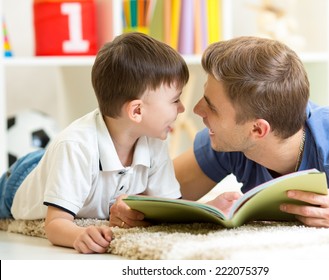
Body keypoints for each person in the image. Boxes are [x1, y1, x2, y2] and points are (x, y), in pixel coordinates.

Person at [110, 36, 329, 228]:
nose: (195, 109)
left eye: (211, 107)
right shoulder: (229, 142)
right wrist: (130, 204)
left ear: (258, 129)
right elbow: (158, 196)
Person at [0, 32, 189, 253]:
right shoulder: (76, 147)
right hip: (21, 179)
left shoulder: (154, 142)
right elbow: (54, 225)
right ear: (137, 110)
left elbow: (173, 209)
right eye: (175, 100)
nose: (182, 108)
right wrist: (79, 234)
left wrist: (212, 210)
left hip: (64, 163)